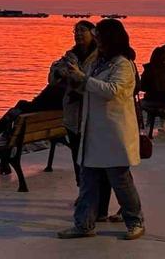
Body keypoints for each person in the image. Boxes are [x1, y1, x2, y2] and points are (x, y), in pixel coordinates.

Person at [57, 19, 145, 240]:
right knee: (88, 183)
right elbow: (88, 86)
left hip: (113, 134)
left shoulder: (123, 64)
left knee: (121, 181)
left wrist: (84, 79)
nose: (97, 42)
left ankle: (135, 222)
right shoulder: (98, 63)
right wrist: (73, 75)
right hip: (93, 133)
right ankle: (84, 224)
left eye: (99, 38)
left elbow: (113, 91)